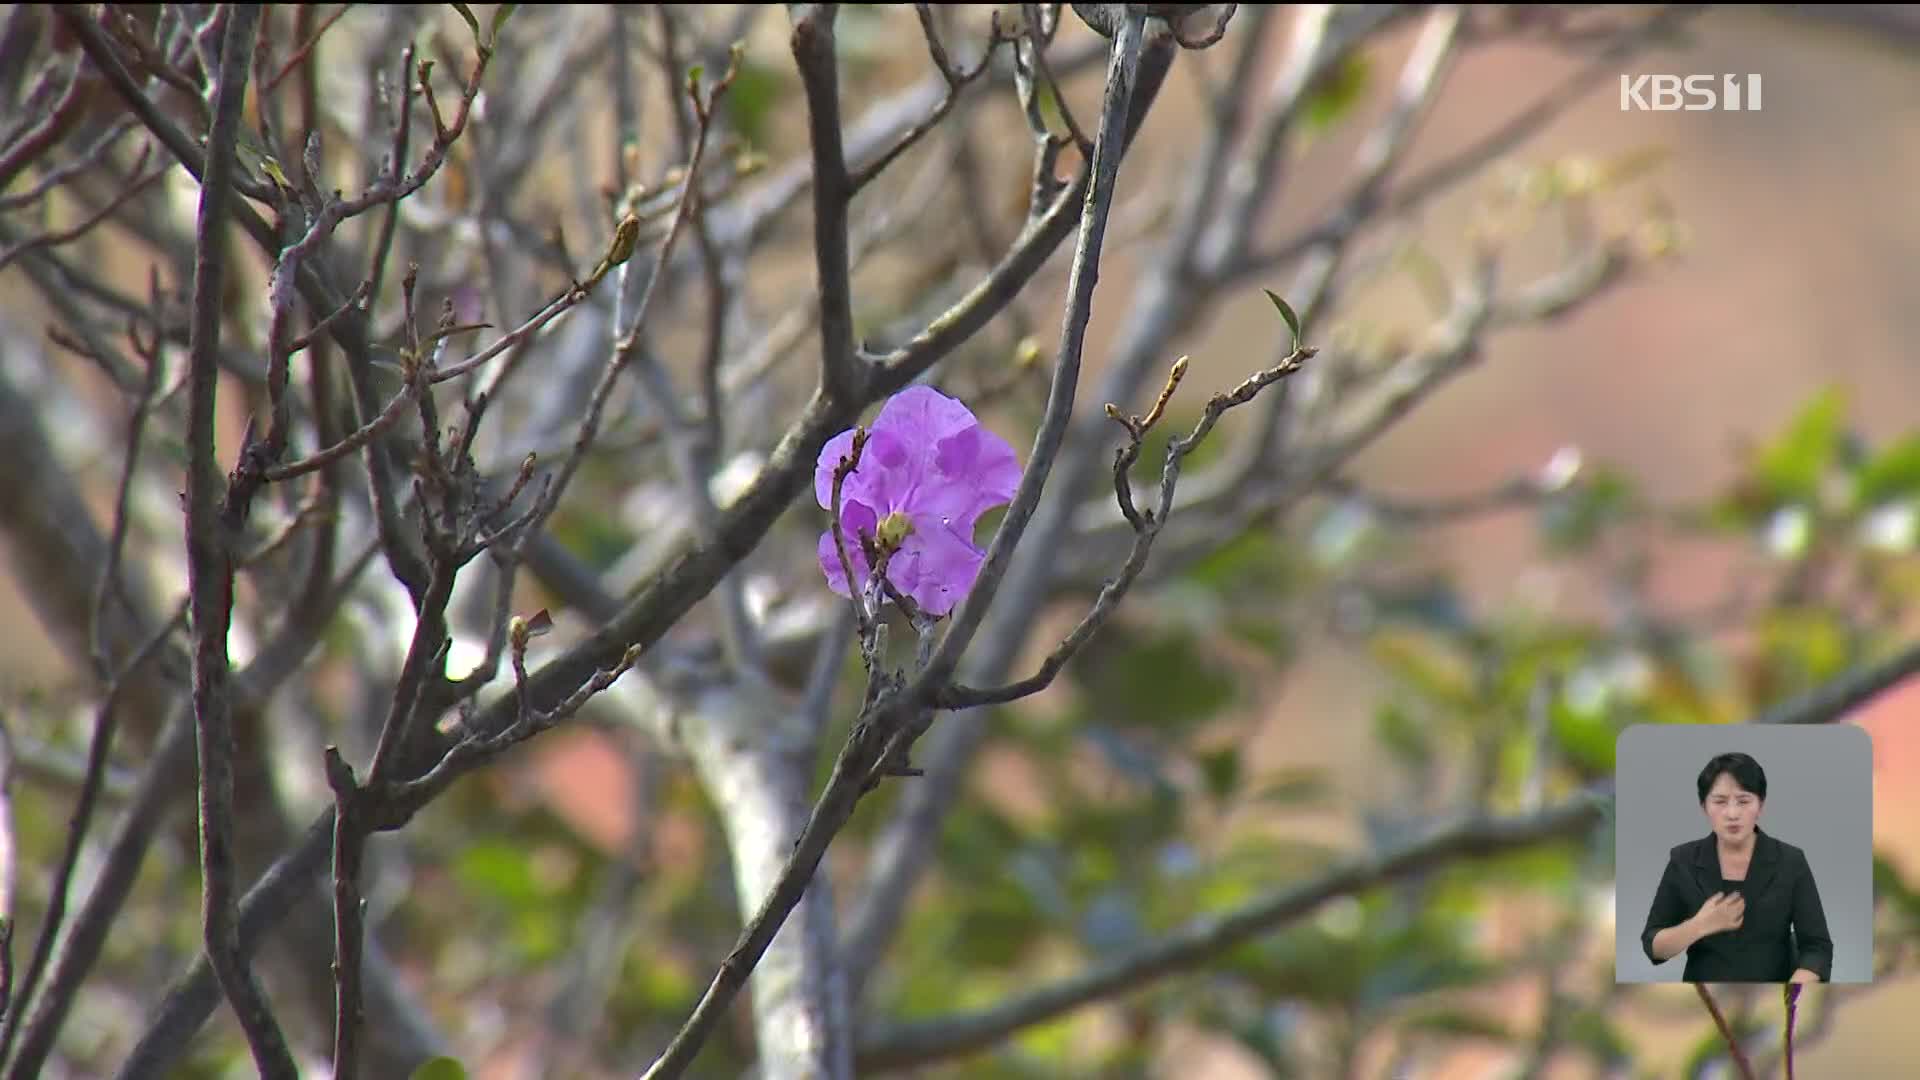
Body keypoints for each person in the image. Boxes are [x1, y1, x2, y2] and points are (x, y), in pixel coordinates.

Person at [1639, 752, 1834, 983]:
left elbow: (1817, 948)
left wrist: (1795, 989)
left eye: (1743, 801)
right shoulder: (1683, 860)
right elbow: (1653, 945)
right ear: (1704, 807)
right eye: (1720, 802)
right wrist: (1699, 925)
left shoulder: (1790, 861)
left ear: (1760, 805)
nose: (1732, 814)